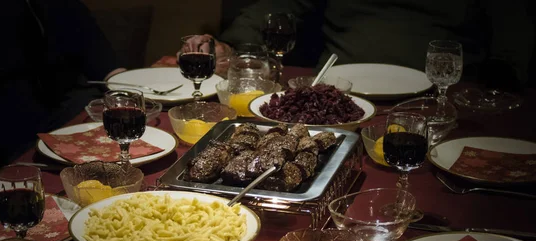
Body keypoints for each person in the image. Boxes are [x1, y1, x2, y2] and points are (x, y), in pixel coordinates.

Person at [0, 0, 126, 201]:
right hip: (1, 114)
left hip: (66, 97)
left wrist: (119, 82)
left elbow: (86, 35)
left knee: (119, 151)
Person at [214, 0, 534, 90]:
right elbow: (277, 6)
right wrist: (232, 44)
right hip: (337, 93)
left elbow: (515, 25)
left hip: (444, 96)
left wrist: (505, 75)